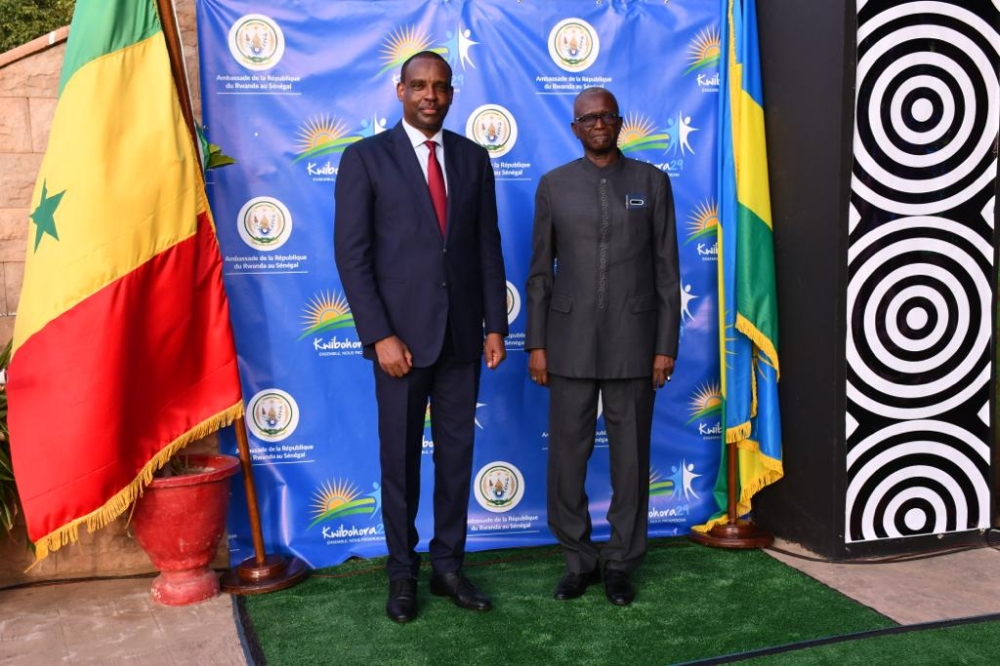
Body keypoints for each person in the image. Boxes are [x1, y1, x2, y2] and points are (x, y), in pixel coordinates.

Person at [334, 51, 508, 623]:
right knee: (401, 462)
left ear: (451, 94)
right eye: (418, 86)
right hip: (399, 346)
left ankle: (449, 568)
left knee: (457, 459)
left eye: (439, 86)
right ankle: (402, 574)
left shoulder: (472, 158)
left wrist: (495, 326)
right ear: (400, 90)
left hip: (462, 340)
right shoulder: (364, 158)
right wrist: (379, 335)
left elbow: (486, 247)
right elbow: (352, 257)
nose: (429, 95)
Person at [525, 87, 680, 606]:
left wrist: (665, 345)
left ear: (620, 122)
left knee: (631, 461)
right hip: (566, 344)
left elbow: (666, 272)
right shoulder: (554, 185)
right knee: (567, 458)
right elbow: (539, 273)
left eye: (606, 116)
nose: (597, 123)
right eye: (587, 118)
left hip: (635, 342)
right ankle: (578, 559)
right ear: (575, 128)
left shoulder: (652, 183)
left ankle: (620, 563)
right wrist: (537, 344)